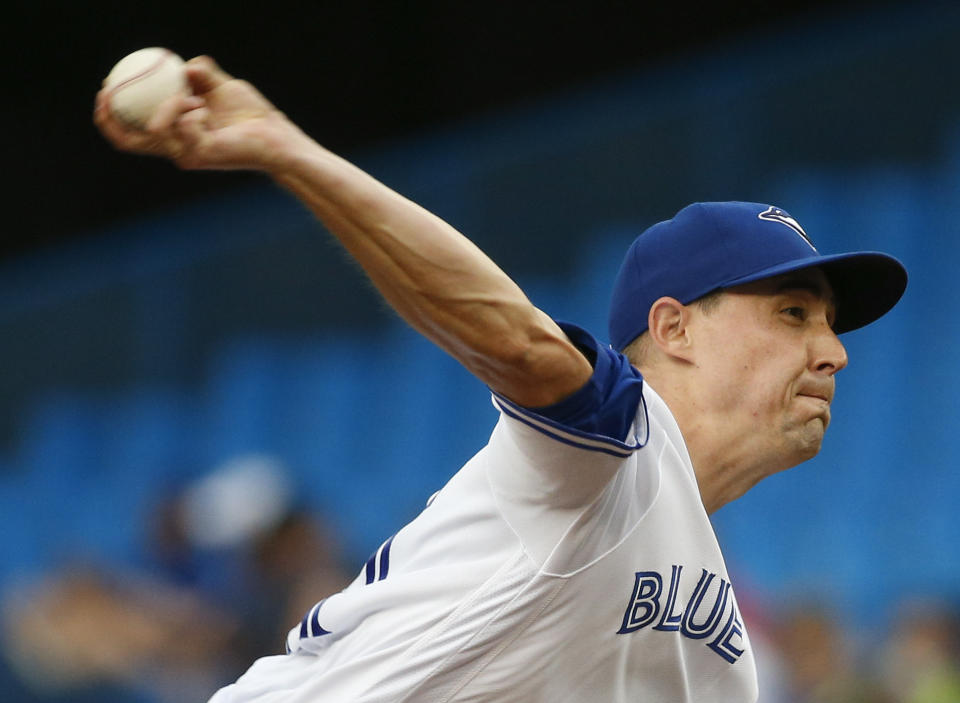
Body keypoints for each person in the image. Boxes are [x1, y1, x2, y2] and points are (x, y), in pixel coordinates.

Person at [94, 56, 908, 702]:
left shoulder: (724, 661)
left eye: (832, 324)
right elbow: (516, 342)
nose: (833, 352)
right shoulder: (620, 445)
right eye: (794, 313)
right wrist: (287, 148)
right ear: (673, 327)